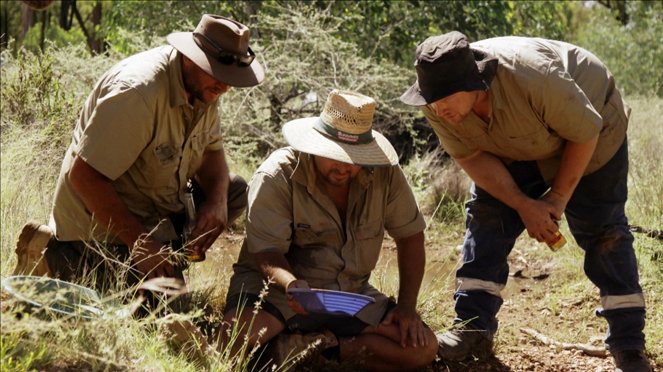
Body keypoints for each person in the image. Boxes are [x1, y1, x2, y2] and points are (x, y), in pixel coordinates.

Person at [400, 31, 651, 372]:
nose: (436, 108)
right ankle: (472, 328)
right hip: (515, 144)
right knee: (487, 217)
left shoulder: (533, 75)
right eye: (430, 99)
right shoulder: (437, 104)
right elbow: (471, 155)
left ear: (474, 84)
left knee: (603, 230)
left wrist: (558, 197)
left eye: (444, 98)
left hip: (592, 130)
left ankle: (629, 344)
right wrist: (522, 203)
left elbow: (584, 132)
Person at [13, 15, 263, 298]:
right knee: (164, 321)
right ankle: (52, 255)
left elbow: (211, 151)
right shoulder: (138, 93)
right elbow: (83, 176)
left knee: (234, 191)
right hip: (101, 226)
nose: (225, 87)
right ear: (192, 59)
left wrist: (217, 202)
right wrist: (141, 244)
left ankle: (167, 258)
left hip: (155, 210)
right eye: (218, 75)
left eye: (229, 79)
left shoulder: (203, 87)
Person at [219, 90, 438, 371]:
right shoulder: (276, 175)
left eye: (355, 158)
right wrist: (292, 284)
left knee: (422, 349)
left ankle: (325, 348)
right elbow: (266, 252)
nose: (345, 167)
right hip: (276, 290)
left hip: (349, 295)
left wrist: (407, 308)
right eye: (335, 156)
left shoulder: (386, 175)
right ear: (316, 145)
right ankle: (285, 347)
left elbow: (410, 237)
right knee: (233, 344)